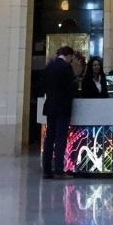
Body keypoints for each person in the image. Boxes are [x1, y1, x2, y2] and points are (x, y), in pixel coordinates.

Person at [42, 44, 76, 178]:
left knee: (49, 138)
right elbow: (71, 87)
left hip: (50, 106)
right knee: (61, 138)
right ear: (68, 56)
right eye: (71, 58)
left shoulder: (49, 66)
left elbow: (43, 85)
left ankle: (47, 169)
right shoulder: (66, 67)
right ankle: (59, 170)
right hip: (63, 107)